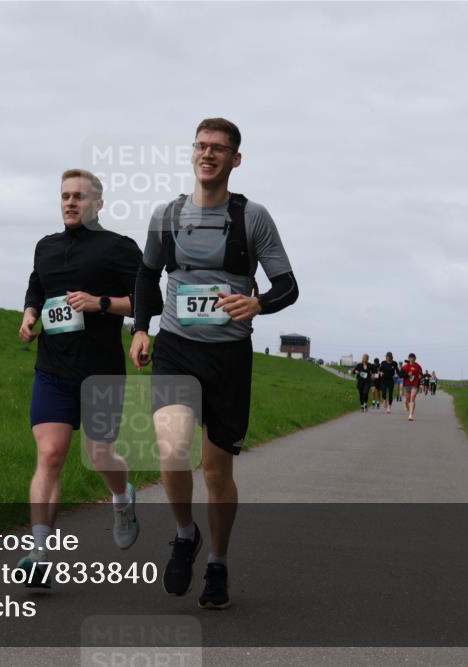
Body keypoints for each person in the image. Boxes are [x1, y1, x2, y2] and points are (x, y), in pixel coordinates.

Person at [129, 118, 299, 609]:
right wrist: (142, 327)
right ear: (192, 153)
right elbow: (146, 274)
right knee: (171, 448)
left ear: (235, 160)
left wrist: (259, 304)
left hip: (228, 357)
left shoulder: (253, 218)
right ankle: (185, 535)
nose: (209, 155)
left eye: (219, 149)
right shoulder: (167, 215)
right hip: (177, 347)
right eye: (202, 146)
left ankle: (219, 564)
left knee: (217, 472)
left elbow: (288, 285)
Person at [18, 169, 144, 584]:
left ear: (98, 204)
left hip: (101, 371)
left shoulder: (118, 248)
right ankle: (37, 555)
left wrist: (100, 302)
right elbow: (38, 285)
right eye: (65, 196)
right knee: (50, 455)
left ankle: (122, 498)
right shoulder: (46, 247)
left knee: (99, 455)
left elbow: (145, 301)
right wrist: (30, 313)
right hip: (53, 368)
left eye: (79, 197)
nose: (70, 203)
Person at [401, 353, 424, 421]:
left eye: (413, 358)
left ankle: (410, 415)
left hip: (415, 384)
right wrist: (407, 374)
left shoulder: (418, 366)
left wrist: (420, 376)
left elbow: (421, 374)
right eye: (410, 358)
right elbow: (401, 374)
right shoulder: (405, 366)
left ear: (415, 359)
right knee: (407, 400)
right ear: (408, 358)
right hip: (407, 384)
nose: (412, 359)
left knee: (412, 398)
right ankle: (406, 405)